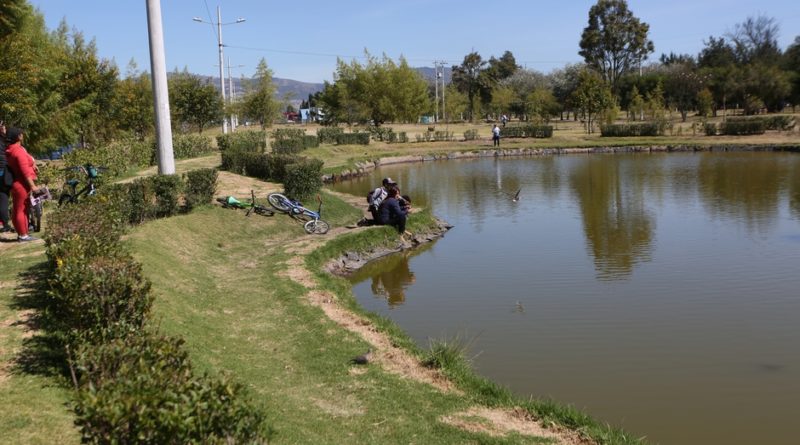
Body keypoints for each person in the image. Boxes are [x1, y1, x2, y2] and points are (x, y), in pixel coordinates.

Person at [5, 127, 43, 241]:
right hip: (21, 184)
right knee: (21, 209)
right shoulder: (18, 151)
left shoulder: (12, 149)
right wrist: (33, 186)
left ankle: (22, 233)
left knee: (18, 209)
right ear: (18, 136)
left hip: (17, 183)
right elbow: (24, 171)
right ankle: (23, 235)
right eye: (21, 134)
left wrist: (32, 164)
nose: (23, 136)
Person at [0, 122, 12, 233]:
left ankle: (4, 223)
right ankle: (5, 223)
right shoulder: (5, 140)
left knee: (2, 198)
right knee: (3, 197)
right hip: (4, 172)